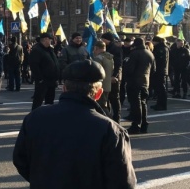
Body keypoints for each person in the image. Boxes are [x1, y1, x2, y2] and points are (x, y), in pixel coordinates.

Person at [12, 60, 136, 188]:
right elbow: (123, 181)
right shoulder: (111, 130)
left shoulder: (35, 117)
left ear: (64, 88)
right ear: (98, 93)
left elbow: (20, 160)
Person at [123, 37, 155, 134]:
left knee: (135, 104)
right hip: (145, 81)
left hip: (134, 82)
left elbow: (129, 69)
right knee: (143, 103)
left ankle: (136, 125)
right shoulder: (150, 54)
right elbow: (154, 70)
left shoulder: (134, 54)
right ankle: (144, 124)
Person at [28, 32, 59, 110]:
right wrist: (40, 78)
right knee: (38, 100)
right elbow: (34, 65)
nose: (51, 41)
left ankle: (48, 116)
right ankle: (34, 116)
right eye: (50, 40)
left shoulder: (50, 50)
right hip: (43, 80)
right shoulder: (37, 50)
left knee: (50, 101)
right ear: (45, 39)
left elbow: (55, 62)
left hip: (52, 80)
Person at [101, 33, 123, 123]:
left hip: (113, 78)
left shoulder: (116, 49)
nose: (101, 41)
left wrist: (115, 75)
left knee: (114, 98)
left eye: (103, 39)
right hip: (106, 77)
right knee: (106, 97)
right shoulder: (106, 48)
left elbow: (118, 64)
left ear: (107, 40)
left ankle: (116, 117)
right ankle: (109, 117)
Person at [93, 40, 114, 114]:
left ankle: (108, 120)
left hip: (100, 85)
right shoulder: (110, 58)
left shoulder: (98, 58)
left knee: (101, 106)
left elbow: (96, 72)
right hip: (108, 84)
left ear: (96, 48)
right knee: (105, 104)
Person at [150, 36, 169, 111]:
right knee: (158, 88)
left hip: (160, 71)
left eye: (153, 41)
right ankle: (159, 103)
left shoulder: (161, 49)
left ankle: (162, 105)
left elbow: (160, 60)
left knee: (161, 88)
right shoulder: (160, 47)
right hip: (159, 70)